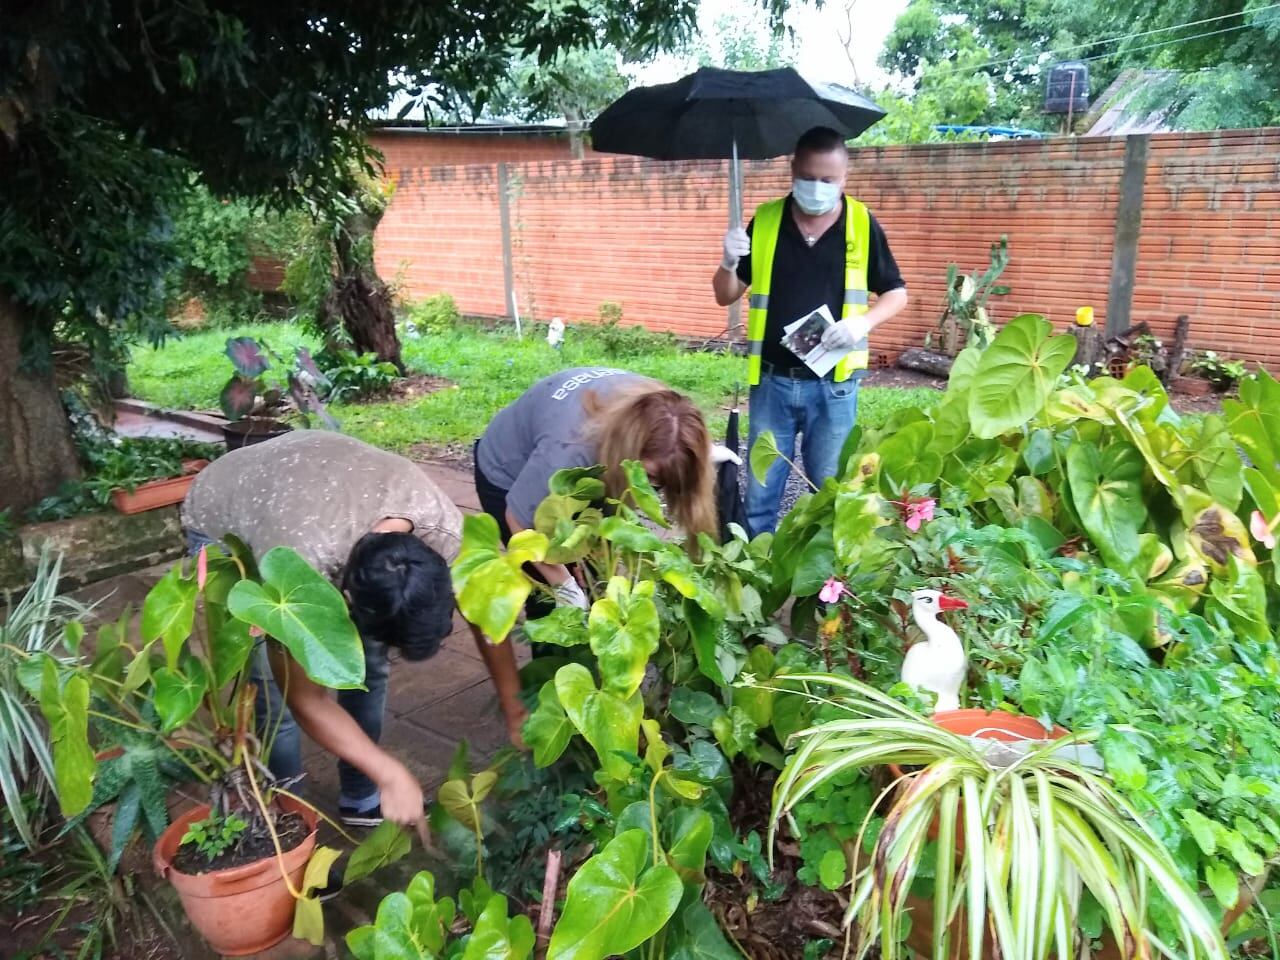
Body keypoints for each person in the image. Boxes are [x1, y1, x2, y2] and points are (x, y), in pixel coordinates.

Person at [182, 430, 462, 831]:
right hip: (229, 503)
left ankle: (361, 798)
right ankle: (289, 822)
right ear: (347, 593)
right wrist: (390, 771)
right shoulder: (299, 557)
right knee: (268, 689)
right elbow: (305, 698)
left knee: (367, 668)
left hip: (317, 480)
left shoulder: (440, 527)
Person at [471, 367, 719, 735]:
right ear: (627, 454)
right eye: (651, 479)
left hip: (598, 460)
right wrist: (563, 585)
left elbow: (624, 504)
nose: (653, 492)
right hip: (509, 471)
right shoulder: (568, 450)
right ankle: (540, 714)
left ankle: (599, 691)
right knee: (552, 605)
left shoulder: (667, 418)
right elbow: (519, 522)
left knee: (597, 575)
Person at [712, 125, 909, 535]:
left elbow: (896, 293)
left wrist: (862, 323)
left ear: (844, 178)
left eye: (828, 180)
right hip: (772, 383)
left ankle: (825, 591)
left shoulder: (861, 223)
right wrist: (728, 262)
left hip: (834, 387)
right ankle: (757, 584)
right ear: (792, 171)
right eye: (808, 178)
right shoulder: (765, 222)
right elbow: (725, 295)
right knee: (762, 495)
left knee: (831, 493)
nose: (817, 187)